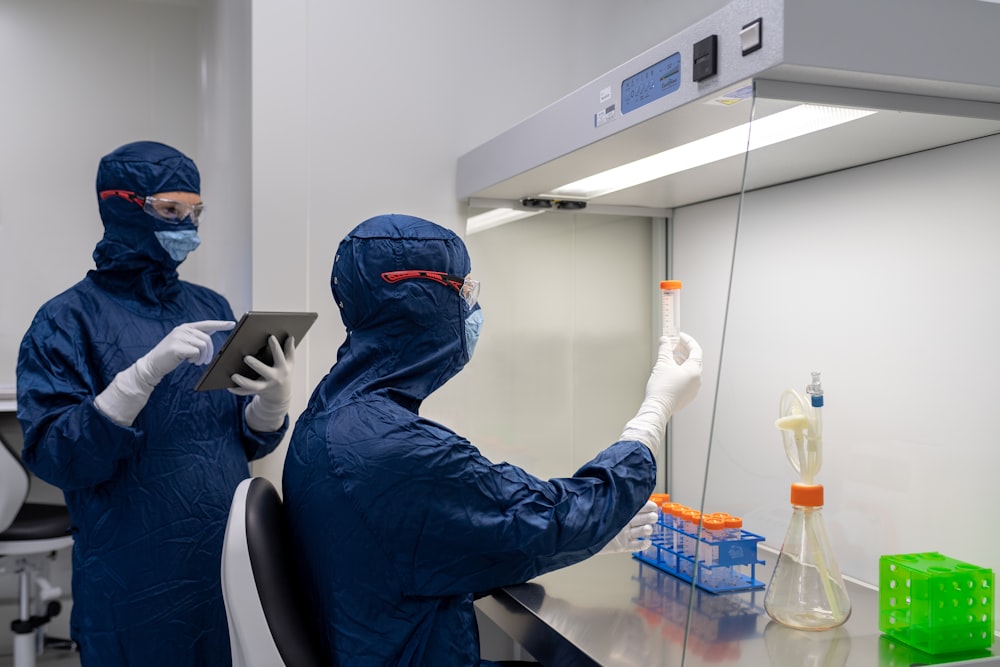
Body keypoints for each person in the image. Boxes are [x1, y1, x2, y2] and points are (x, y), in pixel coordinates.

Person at [282, 213, 703, 666]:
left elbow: (429, 541)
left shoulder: (329, 415)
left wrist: (598, 533)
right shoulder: (394, 448)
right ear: (421, 301)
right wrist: (654, 412)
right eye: (464, 292)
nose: (471, 309)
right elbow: (545, 518)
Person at [16, 141, 295, 666]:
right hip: (133, 568)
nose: (187, 225)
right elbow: (58, 456)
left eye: (195, 211)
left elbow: (239, 437)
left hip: (222, 556)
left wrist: (270, 404)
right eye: (170, 210)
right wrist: (138, 378)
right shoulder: (65, 319)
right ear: (123, 206)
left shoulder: (209, 307)